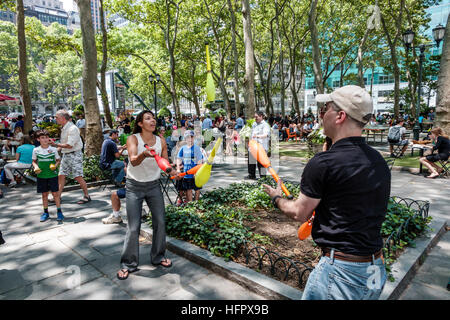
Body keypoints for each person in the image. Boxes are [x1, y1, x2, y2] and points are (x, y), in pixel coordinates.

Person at [263, 85, 389, 300]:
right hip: (375, 268)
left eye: (325, 109)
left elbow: (299, 213)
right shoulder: (378, 161)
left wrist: (276, 198)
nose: (321, 115)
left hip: (342, 273)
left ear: (340, 116)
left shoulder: (324, 163)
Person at [117, 110, 177, 281]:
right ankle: (128, 263)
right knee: (134, 226)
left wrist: (174, 172)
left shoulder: (161, 141)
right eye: (148, 118)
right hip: (134, 187)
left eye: (153, 118)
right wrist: (145, 153)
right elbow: (133, 160)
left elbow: (165, 164)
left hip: (153, 186)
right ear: (141, 123)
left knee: (160, 221)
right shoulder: (133, 139)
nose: (152, 121)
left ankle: (158, 256)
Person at [50, 109, 91, 204]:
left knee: (77, 176)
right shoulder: (64, 128)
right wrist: (54, 151)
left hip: (74, 154)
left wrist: (55, 145)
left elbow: (69, 145)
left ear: (63, 118)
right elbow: (64, 144)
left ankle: (87, 196)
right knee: (61, 175)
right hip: (66, 154)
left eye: (56, 117)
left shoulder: (72, 128)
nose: (55, 119)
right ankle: (58, 197)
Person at [32, 130, 63, 222]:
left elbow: (58, 160)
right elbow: (33, 161)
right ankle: (46, 213)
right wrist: (36, 167)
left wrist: (55, 166)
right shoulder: (36, 150)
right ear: (38, 139)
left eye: (46, 137)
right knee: (44, 195)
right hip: (41, 175)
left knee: (55, 194)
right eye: (42, 138)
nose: (45, 139)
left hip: (52, 175)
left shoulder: (53, 149)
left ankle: (59, 212)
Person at [176, 130, 204, 203]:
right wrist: (178, 168)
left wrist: (196, 172)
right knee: (188, 189)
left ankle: (197, 203)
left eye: (191, 137)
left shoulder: (196, 148)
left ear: (193, 138)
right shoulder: (183, 148)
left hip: (195, 173)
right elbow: (178, 158)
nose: (190, 139)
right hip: (187, 173)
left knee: (197, 188)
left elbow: (199, 161)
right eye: (188, 137)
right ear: (185, 139)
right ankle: (191, 204)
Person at [247, 111, 270, 180]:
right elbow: (252, 134)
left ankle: (263, 178)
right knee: (251, 162)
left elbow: (266, 135)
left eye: (256, 117)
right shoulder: (254, 124)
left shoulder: (265, 125)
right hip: (253, 146)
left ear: (261, 116)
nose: (255, 118)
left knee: (261, 163)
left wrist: (257, 136)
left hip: (261, 146)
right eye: (255, 117)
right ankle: (251, 176)